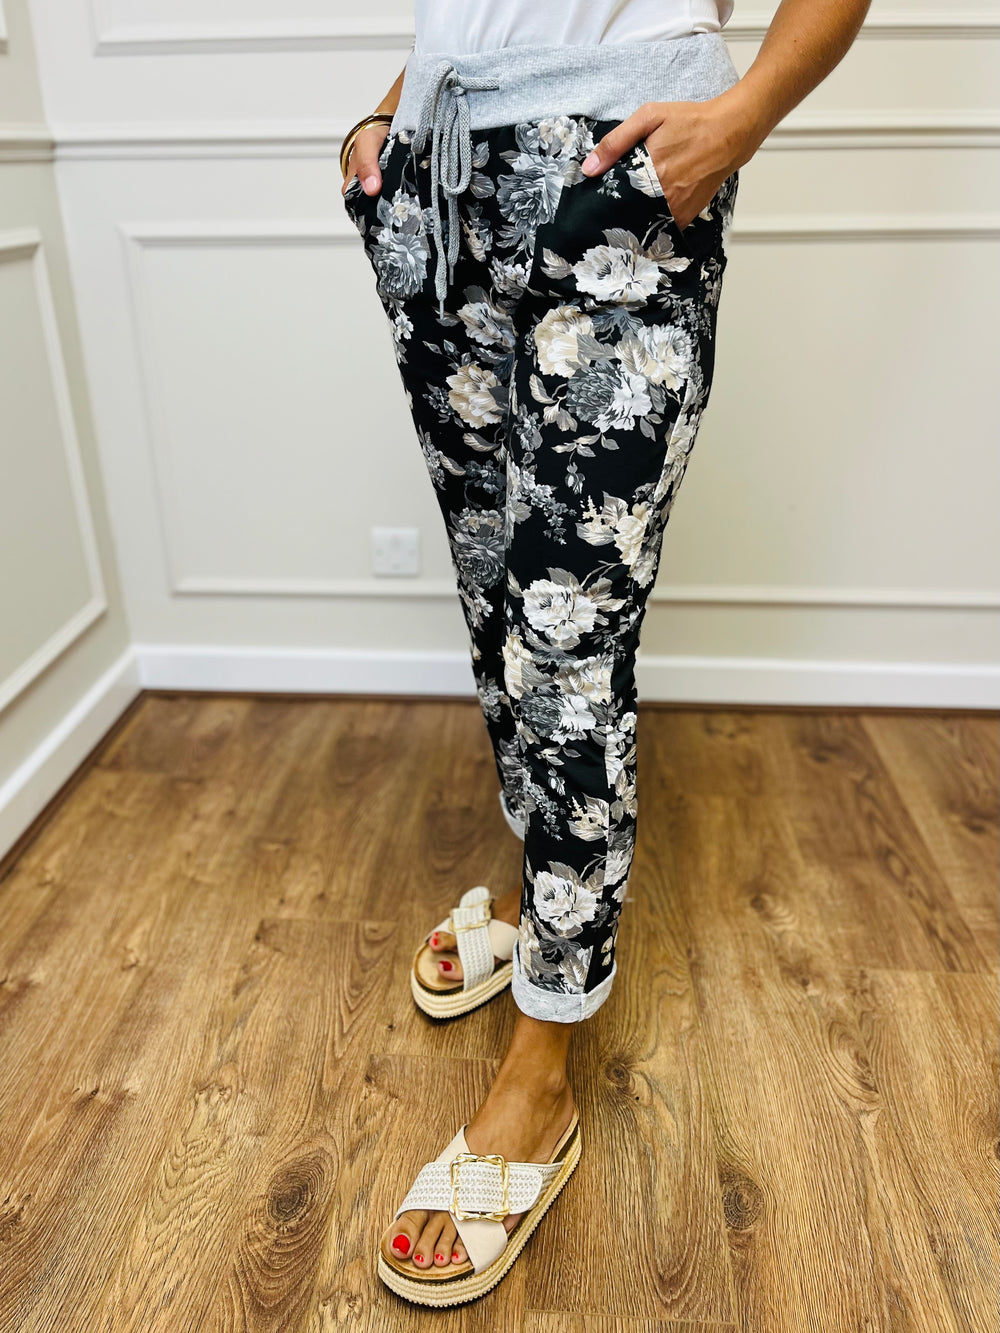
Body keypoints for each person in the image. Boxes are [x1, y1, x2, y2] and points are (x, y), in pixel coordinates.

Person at [340, 0, 872, 1307]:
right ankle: (541, 901)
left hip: (613, 162)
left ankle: (541, 1076)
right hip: (438, 174)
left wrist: (740, 118)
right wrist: (389, 111)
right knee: (498, 603)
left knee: (569, 638)